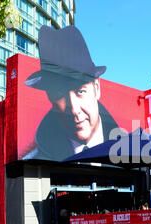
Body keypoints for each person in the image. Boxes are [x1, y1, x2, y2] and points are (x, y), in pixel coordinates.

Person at [23, 26, 119, 162]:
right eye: (60, 94)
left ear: (96, 88)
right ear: (50, 97)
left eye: (80, 91)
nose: (74, 110)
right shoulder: (36, 162)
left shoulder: (129, 149)